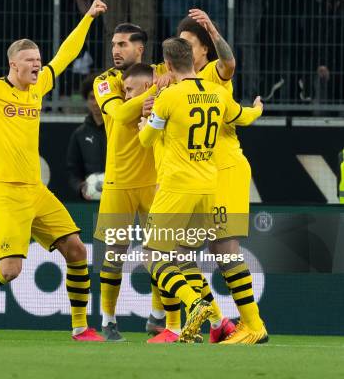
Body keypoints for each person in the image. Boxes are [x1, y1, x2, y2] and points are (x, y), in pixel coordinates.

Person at [0, 0, 108, 342]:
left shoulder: (39, 87)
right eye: (30, 61)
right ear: (13, 64)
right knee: (10, 270)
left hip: (36, 190)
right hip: (5, 190)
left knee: (77, 250)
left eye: (38, 61)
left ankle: (80, 327)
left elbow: (65, 55)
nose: (38, 66)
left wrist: (88, 19)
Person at [137, 37, 262, 343]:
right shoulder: (218, 94)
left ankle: (196, 304)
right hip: (208, 185)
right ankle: (215, 319)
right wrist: (257, 109)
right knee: (181, 254)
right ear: (193, 62)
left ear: (168, 65)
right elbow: (242, 117)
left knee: (153, 255)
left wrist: (144, 125)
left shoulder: (169, 97)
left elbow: (146, 141)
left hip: (177, 185)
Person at [92, 23, 168, 341]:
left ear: (140, 48)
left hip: (155, 180)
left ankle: (158, 316)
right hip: (119, 180)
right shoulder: (105, 81)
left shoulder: (164, 71)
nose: (115, 50)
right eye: (113, 44)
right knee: (115, 252)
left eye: (122, 44)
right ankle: (108, 321)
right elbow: (122, 116)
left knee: (162, 252)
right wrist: (154, 93)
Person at [67, 74, 106, 200]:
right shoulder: (79, 134)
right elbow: (73, 171)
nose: (96, 103)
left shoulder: (120, 129)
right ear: (86, 100)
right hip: (91, 199)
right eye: (91, 98)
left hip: (119, 197)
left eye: (99, 97)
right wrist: (80, 187)